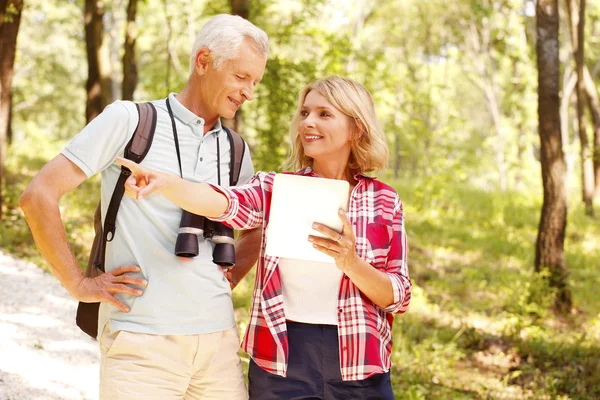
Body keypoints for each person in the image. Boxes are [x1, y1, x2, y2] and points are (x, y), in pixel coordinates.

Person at [19, 14, 268, 400]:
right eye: (241, 77)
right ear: (203, 61)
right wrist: (78, 284)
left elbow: (256, 227)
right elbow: (38, 195)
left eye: (255, 82)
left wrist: (231, 278)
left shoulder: (236, 149)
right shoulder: (130, 121)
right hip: (141, 344)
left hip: (218, 345)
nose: (249, 91)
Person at [117, 75, 411, 399]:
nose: (308, 122)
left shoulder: (383, 200)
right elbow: (226, 203)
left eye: (324, 114)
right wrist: (167, 184)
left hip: (359, 362)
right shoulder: (277, 188)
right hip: (282, 360)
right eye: (305, 112)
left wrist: (350, 262)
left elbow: (398, 295)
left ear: (357, 128)